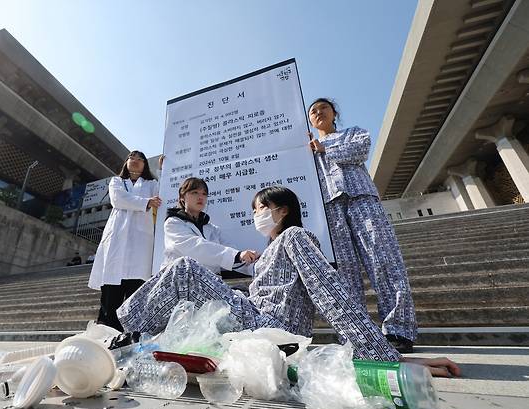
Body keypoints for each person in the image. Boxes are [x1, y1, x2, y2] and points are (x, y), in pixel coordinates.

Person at [117, 186, 459, 377]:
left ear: (281, 211)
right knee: (192, 294)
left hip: (272, 329)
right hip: (256, 320)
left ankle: (124, 334)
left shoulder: (294, 236)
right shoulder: (271, 250)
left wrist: (387, 359)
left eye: (260, 208)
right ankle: (139, 340)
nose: (255, 216)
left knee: (186, 270)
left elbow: (330, 292)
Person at [307, 98, 417, 353]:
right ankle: (353, 333)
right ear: (310, 121)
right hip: (329, 207)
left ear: (334, 113)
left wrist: (324, 149)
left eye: (323, 108)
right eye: (313, 111)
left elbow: (360, 150)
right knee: (344, 272)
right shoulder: (307, 149)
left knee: (384, 259)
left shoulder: (352, 133)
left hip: (362, 199)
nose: (318, 112)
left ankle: (399, 329)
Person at [88, 150, 161, 331]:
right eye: (131, 158)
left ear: (145, 164)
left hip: (141, 243)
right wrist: (146, 202)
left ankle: (131, 334)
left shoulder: (152, 184)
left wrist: (164, 170)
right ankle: (106, 332)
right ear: (126, 162)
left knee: (136, 291)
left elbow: (163, 195)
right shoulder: (117, 182)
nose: (135, 161)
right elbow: (118, 200)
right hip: (116, 241)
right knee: (111, 291)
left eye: (140, 159)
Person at [161, 177, 258, 274]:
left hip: (207, 283)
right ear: (182, 197)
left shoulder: (212, 228)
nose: (200, 197)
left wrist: (256, 265)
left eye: (204, 194)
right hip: (179, 282)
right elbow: (196, 247)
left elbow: (232, 255)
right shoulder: (173, 223)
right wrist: (236, 256)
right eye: (194, 192)